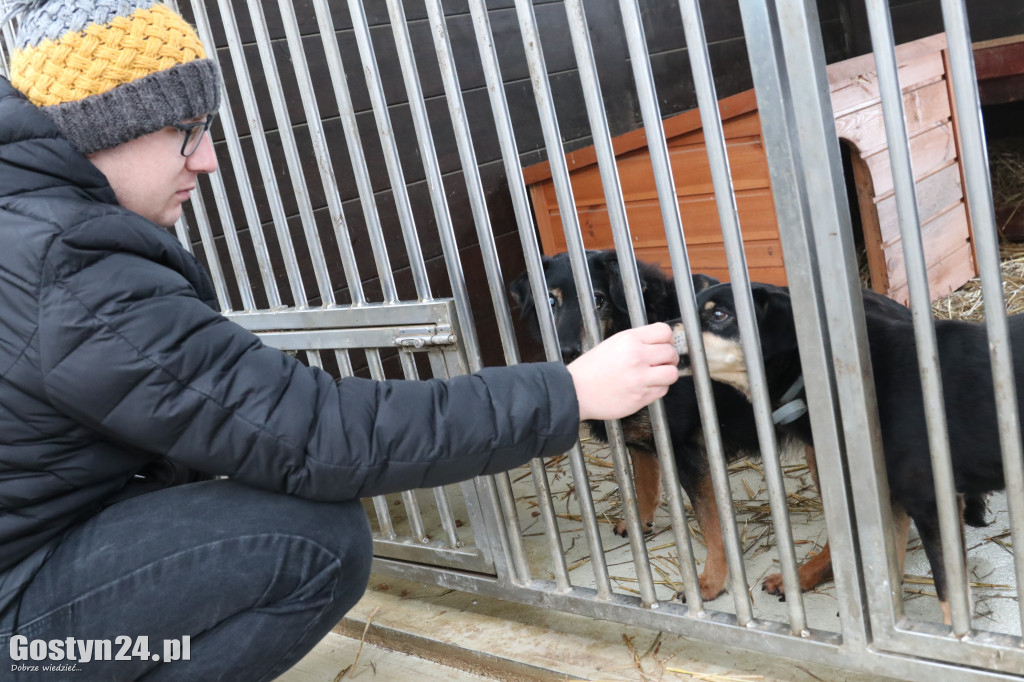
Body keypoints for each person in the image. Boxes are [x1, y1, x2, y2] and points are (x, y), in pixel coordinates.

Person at [0, 1, 680, 679]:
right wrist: (569, 391)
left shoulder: (27, 226)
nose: (207, 160)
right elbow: (316, 434)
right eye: (187, 130)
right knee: (312, 541)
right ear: (105, 124)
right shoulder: (70, 262)